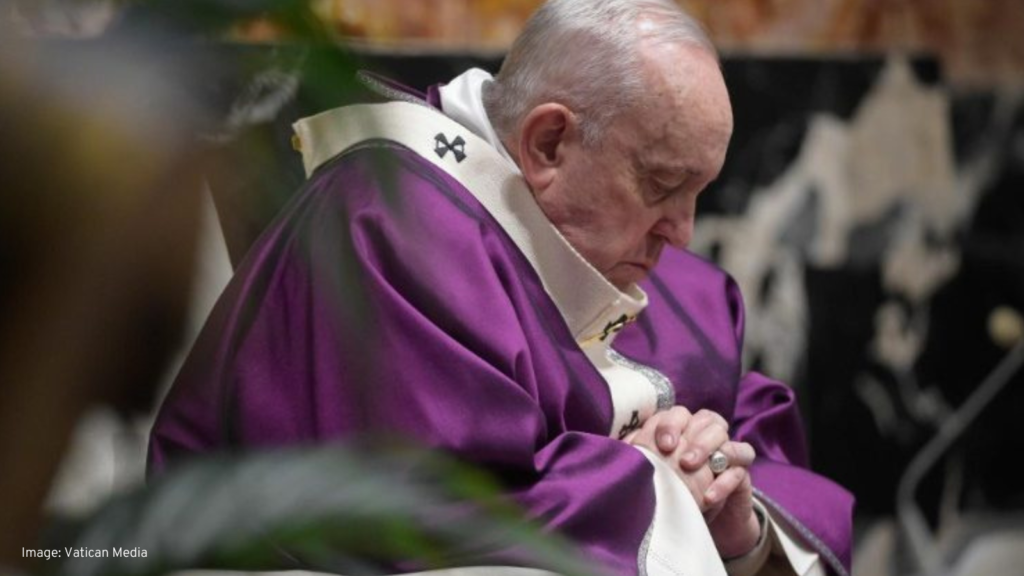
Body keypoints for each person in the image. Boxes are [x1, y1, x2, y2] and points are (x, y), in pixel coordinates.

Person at [149, 0, 854, 574]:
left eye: (699, 191)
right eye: (663, 184)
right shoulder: (390, 226)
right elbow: (427, 514)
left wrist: (738, 522)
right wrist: (653, 485)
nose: (683, 233)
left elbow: (761, 454)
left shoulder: (668, 281)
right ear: (549, 144)